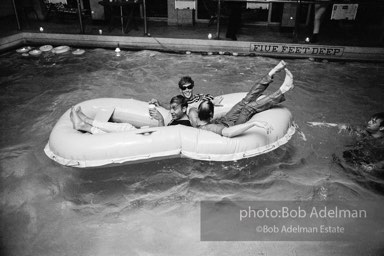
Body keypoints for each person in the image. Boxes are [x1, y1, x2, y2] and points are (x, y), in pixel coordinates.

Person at [188, 60, 294, 138]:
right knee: (247, 108)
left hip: (224, 120)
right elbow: (229, 132)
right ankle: (282, 91)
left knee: (245, 101)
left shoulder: (195, 120)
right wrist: (253, 123)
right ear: (210, 114)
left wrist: (211, 105)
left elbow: (191, 109)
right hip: (233, 125)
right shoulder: (211, 128)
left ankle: (272, 73)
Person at [70, 95, 192, 134]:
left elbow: (162, 137)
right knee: (123, 128)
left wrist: (160, 119)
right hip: (148, 133)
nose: (171, 112)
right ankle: (87, 121)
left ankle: (85, 124)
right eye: (171, 108)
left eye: (174, 109)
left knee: (124, 129)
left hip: (150, 142)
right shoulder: (180, 120)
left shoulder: (184, 126)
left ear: (185, 108)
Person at [149, 76, 223, 110]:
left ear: (192, 87)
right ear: (181, 90)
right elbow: (169, 106)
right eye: (184, 88)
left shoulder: (199, 97)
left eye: (189, 87)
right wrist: (159, 102)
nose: (187, 90)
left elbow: (210, 97)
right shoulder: (179, 101)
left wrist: (211, 101)